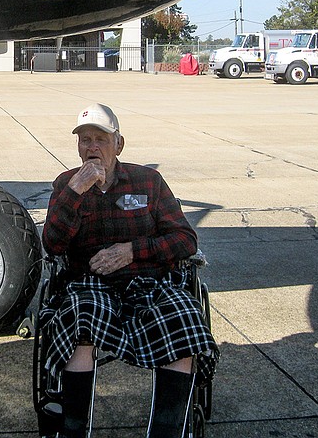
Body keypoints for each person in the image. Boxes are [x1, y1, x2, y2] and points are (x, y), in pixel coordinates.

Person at [40, 103, 218, 438]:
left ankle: (169, 431)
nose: (92, 147)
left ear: (118, 144)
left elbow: (185, 239)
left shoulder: (148, 181)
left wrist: (132, 251)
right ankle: (74, 429)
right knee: (79, 317)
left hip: (150, 282)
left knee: (183, 320)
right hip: (89, 285)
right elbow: (53, 245)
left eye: (101, 140)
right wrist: (75, 193)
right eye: (85, 140)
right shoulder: (66, 184)